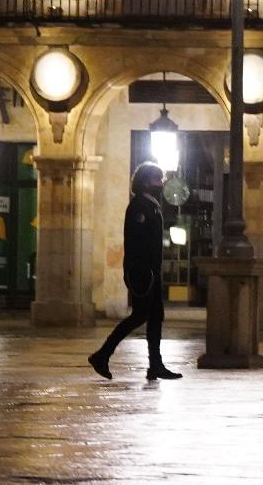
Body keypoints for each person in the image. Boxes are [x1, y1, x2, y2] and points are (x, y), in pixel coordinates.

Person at [88, 162, 182, 380]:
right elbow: (138, 242)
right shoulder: (140, 206)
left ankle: (155, 365)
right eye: (156, 179)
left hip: (151, 271)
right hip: (143, 272)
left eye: (161, 179)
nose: (161, 183)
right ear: (145, 182)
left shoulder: (151, 205)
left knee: (155, 317)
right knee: (139, 316)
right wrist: (141, 271)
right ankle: (102, 355)